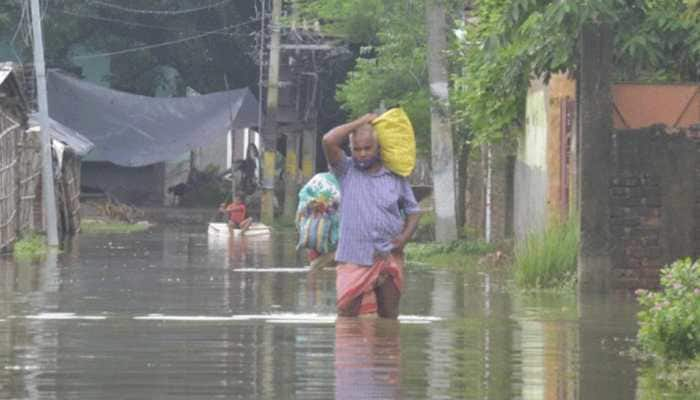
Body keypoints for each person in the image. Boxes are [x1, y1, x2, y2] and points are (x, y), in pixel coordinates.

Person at [322, 113, 421, 319]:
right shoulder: (346, 170)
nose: (362, 154)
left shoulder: (395, 176)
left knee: (389, 319)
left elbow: (413, 212)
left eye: (368, 148)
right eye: (357, 149)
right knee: (347, 316)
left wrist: (403, 239)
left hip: (388, 257)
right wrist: (361, 122)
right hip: (354, 258)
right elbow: (328, 140)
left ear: (378, 149)